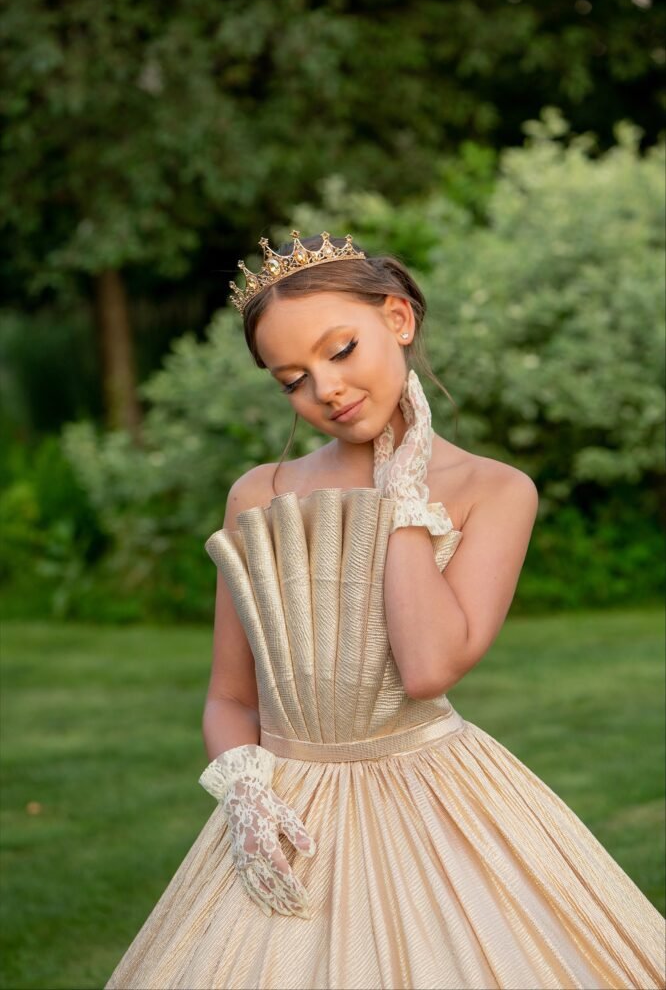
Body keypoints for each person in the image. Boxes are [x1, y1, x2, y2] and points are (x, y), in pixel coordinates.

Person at [105, 231, 665, 990]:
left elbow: (430, 664)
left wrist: (402, 500)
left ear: (397, 318)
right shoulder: (259, 495)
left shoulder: (495, 492)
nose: (325, 390)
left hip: (434, 795)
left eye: (341, 350)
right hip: (290, 807)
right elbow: (231, 695)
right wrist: (243, 787)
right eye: (292, 380)